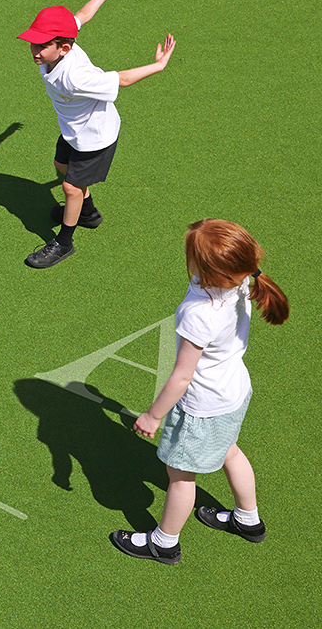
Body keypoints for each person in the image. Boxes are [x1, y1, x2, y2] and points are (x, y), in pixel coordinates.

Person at [110, 219, 289, 564]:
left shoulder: (199, 314)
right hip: (233, 392)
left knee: (180, 475)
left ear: (206, 270)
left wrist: (152, 415)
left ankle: (163, 542)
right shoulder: (242, 285)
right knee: (230, 452)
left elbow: (181, 377)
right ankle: (248, 521)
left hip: (202, 406)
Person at [18, 0, 176, 268]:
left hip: (95, 135)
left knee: (70, 187)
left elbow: (124, 80)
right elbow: (83, 13)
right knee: (60, 165)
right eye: (33, 41)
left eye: (41, 45)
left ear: (63, 48)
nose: (34, 50)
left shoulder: (76, 77)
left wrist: (158, 66)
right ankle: (88, 213)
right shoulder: (61, 43)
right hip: (73, 129)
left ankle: (64, 243)